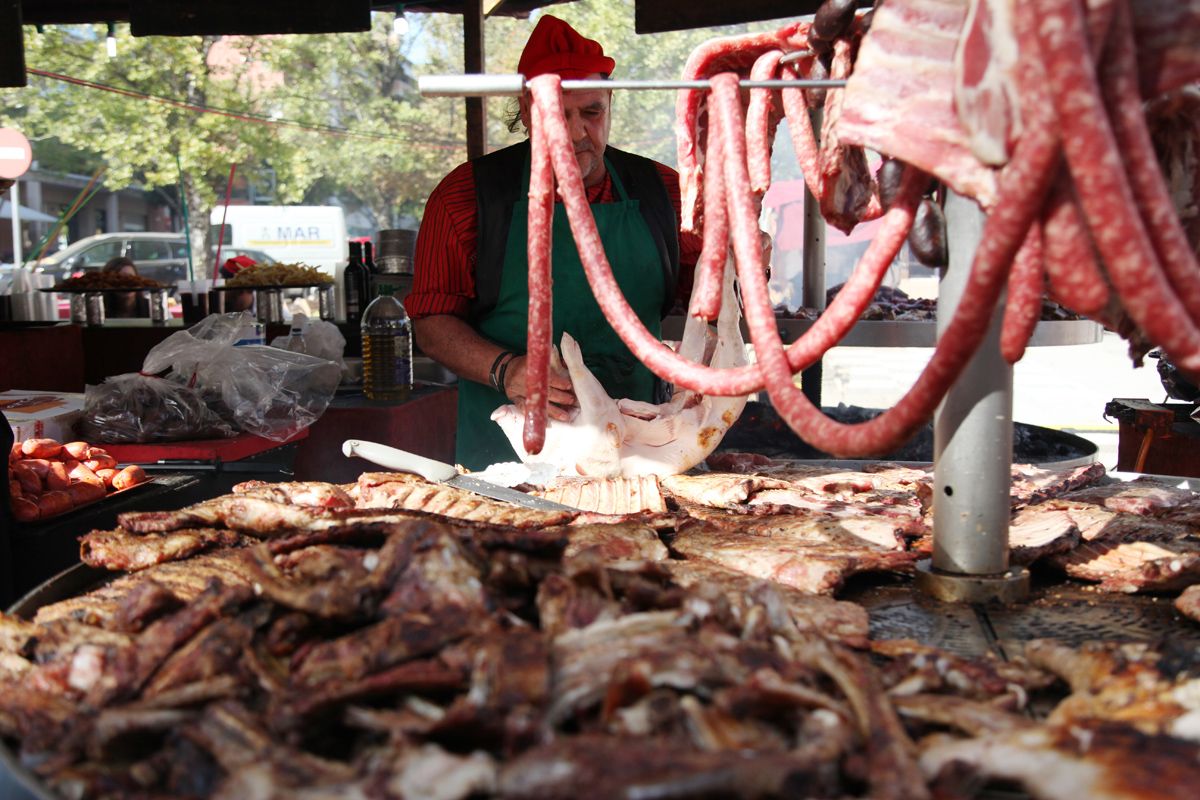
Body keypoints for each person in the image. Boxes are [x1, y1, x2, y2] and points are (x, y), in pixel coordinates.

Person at [408, 15, 701, 470]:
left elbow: (708, 295)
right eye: (557, 114)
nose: (578, 133)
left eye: (591, 112)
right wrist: (506, 370)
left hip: (641, 444)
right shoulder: (467, 198)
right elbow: (431, 320)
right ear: (527, 111)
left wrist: (745, 265)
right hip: (512, 450)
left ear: (610, 103)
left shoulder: (664, 190)